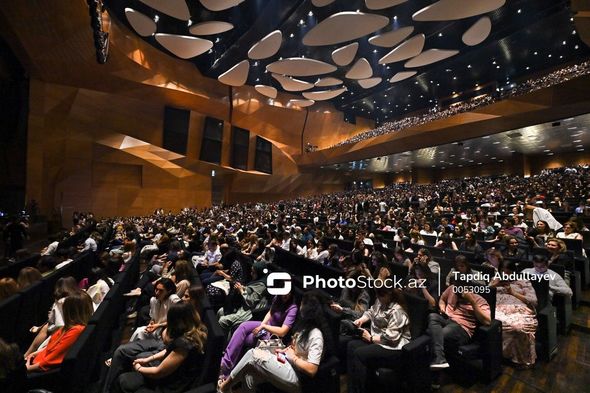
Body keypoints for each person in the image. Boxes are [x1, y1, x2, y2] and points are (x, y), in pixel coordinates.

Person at [219, 291, 332, 393]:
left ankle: (224, 386)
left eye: (302, 304)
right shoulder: (304, 327)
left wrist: (293, 357)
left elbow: (312, 370)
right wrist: (285, 351)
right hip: (287, 363)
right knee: (249, 373)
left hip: (297, 377)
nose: (300, 306)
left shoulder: (316, 335)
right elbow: (297, 349)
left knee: (252, 355)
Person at [114, 303, 208, 393]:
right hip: (172, 377)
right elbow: (168, 350)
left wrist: (138, 368)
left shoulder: (184, 344)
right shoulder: (198, 330)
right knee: (135, 365)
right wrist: (147, 359)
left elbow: (158, 372)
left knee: (123, 380)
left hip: (170, 387)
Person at [347, 284, 411, 393]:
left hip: (394, 347)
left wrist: (371, 338)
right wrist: (361, 320)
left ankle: (359, 390)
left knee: (359, 354)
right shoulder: (380, 301)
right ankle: (354, 387)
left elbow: (391, 338)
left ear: (388, 295)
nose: (377, 298)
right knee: (351, 345)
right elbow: (371, 312)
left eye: (380, 295)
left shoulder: (397, 311)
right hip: (379, 339)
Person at [218, 293, 298, 380]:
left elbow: (282, 332)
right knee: (243, 326)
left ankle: (228, 373)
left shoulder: (293, 308)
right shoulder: (277, 298)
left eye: (288, 292)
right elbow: (270, 312)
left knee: (246, 339)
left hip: (273, 336)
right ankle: (225, 364)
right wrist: (262, 325)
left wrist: (264, 327)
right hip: (265, 327)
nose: (285, 295)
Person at [427, 282, 491, 369]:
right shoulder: (452, 288)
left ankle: (438, 361)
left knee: (439, 333)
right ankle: (439, 359)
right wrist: (442, 307)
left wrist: (472, 301)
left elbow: (487, 321)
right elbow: (442, 298)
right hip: (447, 319)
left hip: (462, 327)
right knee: (432, 316)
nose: (458, 297)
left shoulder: (479, 300)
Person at [26, 291, 93, 372]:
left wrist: (27, 369)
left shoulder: (76, 331)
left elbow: (48, 362)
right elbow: (52, 346)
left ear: (69, 311)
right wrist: (33, 354)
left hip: (39, 371)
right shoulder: (69, 326)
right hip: (36, 361)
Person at [490, 260, 538, 368]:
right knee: (495, 323)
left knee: (518, 328)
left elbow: (533, 300)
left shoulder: (523, 281)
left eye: (508, 272)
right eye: (502, 271)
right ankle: (500, 354)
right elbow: (485, 293)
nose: (505, 274)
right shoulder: (495, 279)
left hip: (519, 309)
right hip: (498, 308)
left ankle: (519, 359)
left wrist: (513, 293)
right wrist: (495, 285)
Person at [25, 276, 79, 357]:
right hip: (74, 330)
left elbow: (58, 324)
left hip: (62, 334)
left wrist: (47, 322)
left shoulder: (61, 302)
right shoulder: (80, 297)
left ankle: (26, 355)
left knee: (46, 328)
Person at [216, 261, 270, 335]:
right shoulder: (258, 280)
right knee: (220, 311)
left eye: (253, 272)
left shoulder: (262, 285)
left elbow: (251, 302)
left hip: (250, 311)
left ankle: (223, 342)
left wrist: (241, 291)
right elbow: (250, 289)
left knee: (223, 320)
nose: (251, 274)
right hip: (243, 304)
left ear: (259, 273)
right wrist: (242, 287)